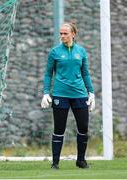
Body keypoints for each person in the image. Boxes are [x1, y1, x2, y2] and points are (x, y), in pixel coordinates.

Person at [41, 22, 95, 169]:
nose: (62, 36)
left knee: (83, 127)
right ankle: (55, 163)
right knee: (59, 128)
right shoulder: (54, 52)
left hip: (80, 95)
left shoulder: (81, 51)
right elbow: (48, 74)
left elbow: (85, 73)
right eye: (61, 33)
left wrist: (91, 92)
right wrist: (46, 92)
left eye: (65, 33)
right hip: (60, 95)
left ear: (73, 34)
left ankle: (81, 160)